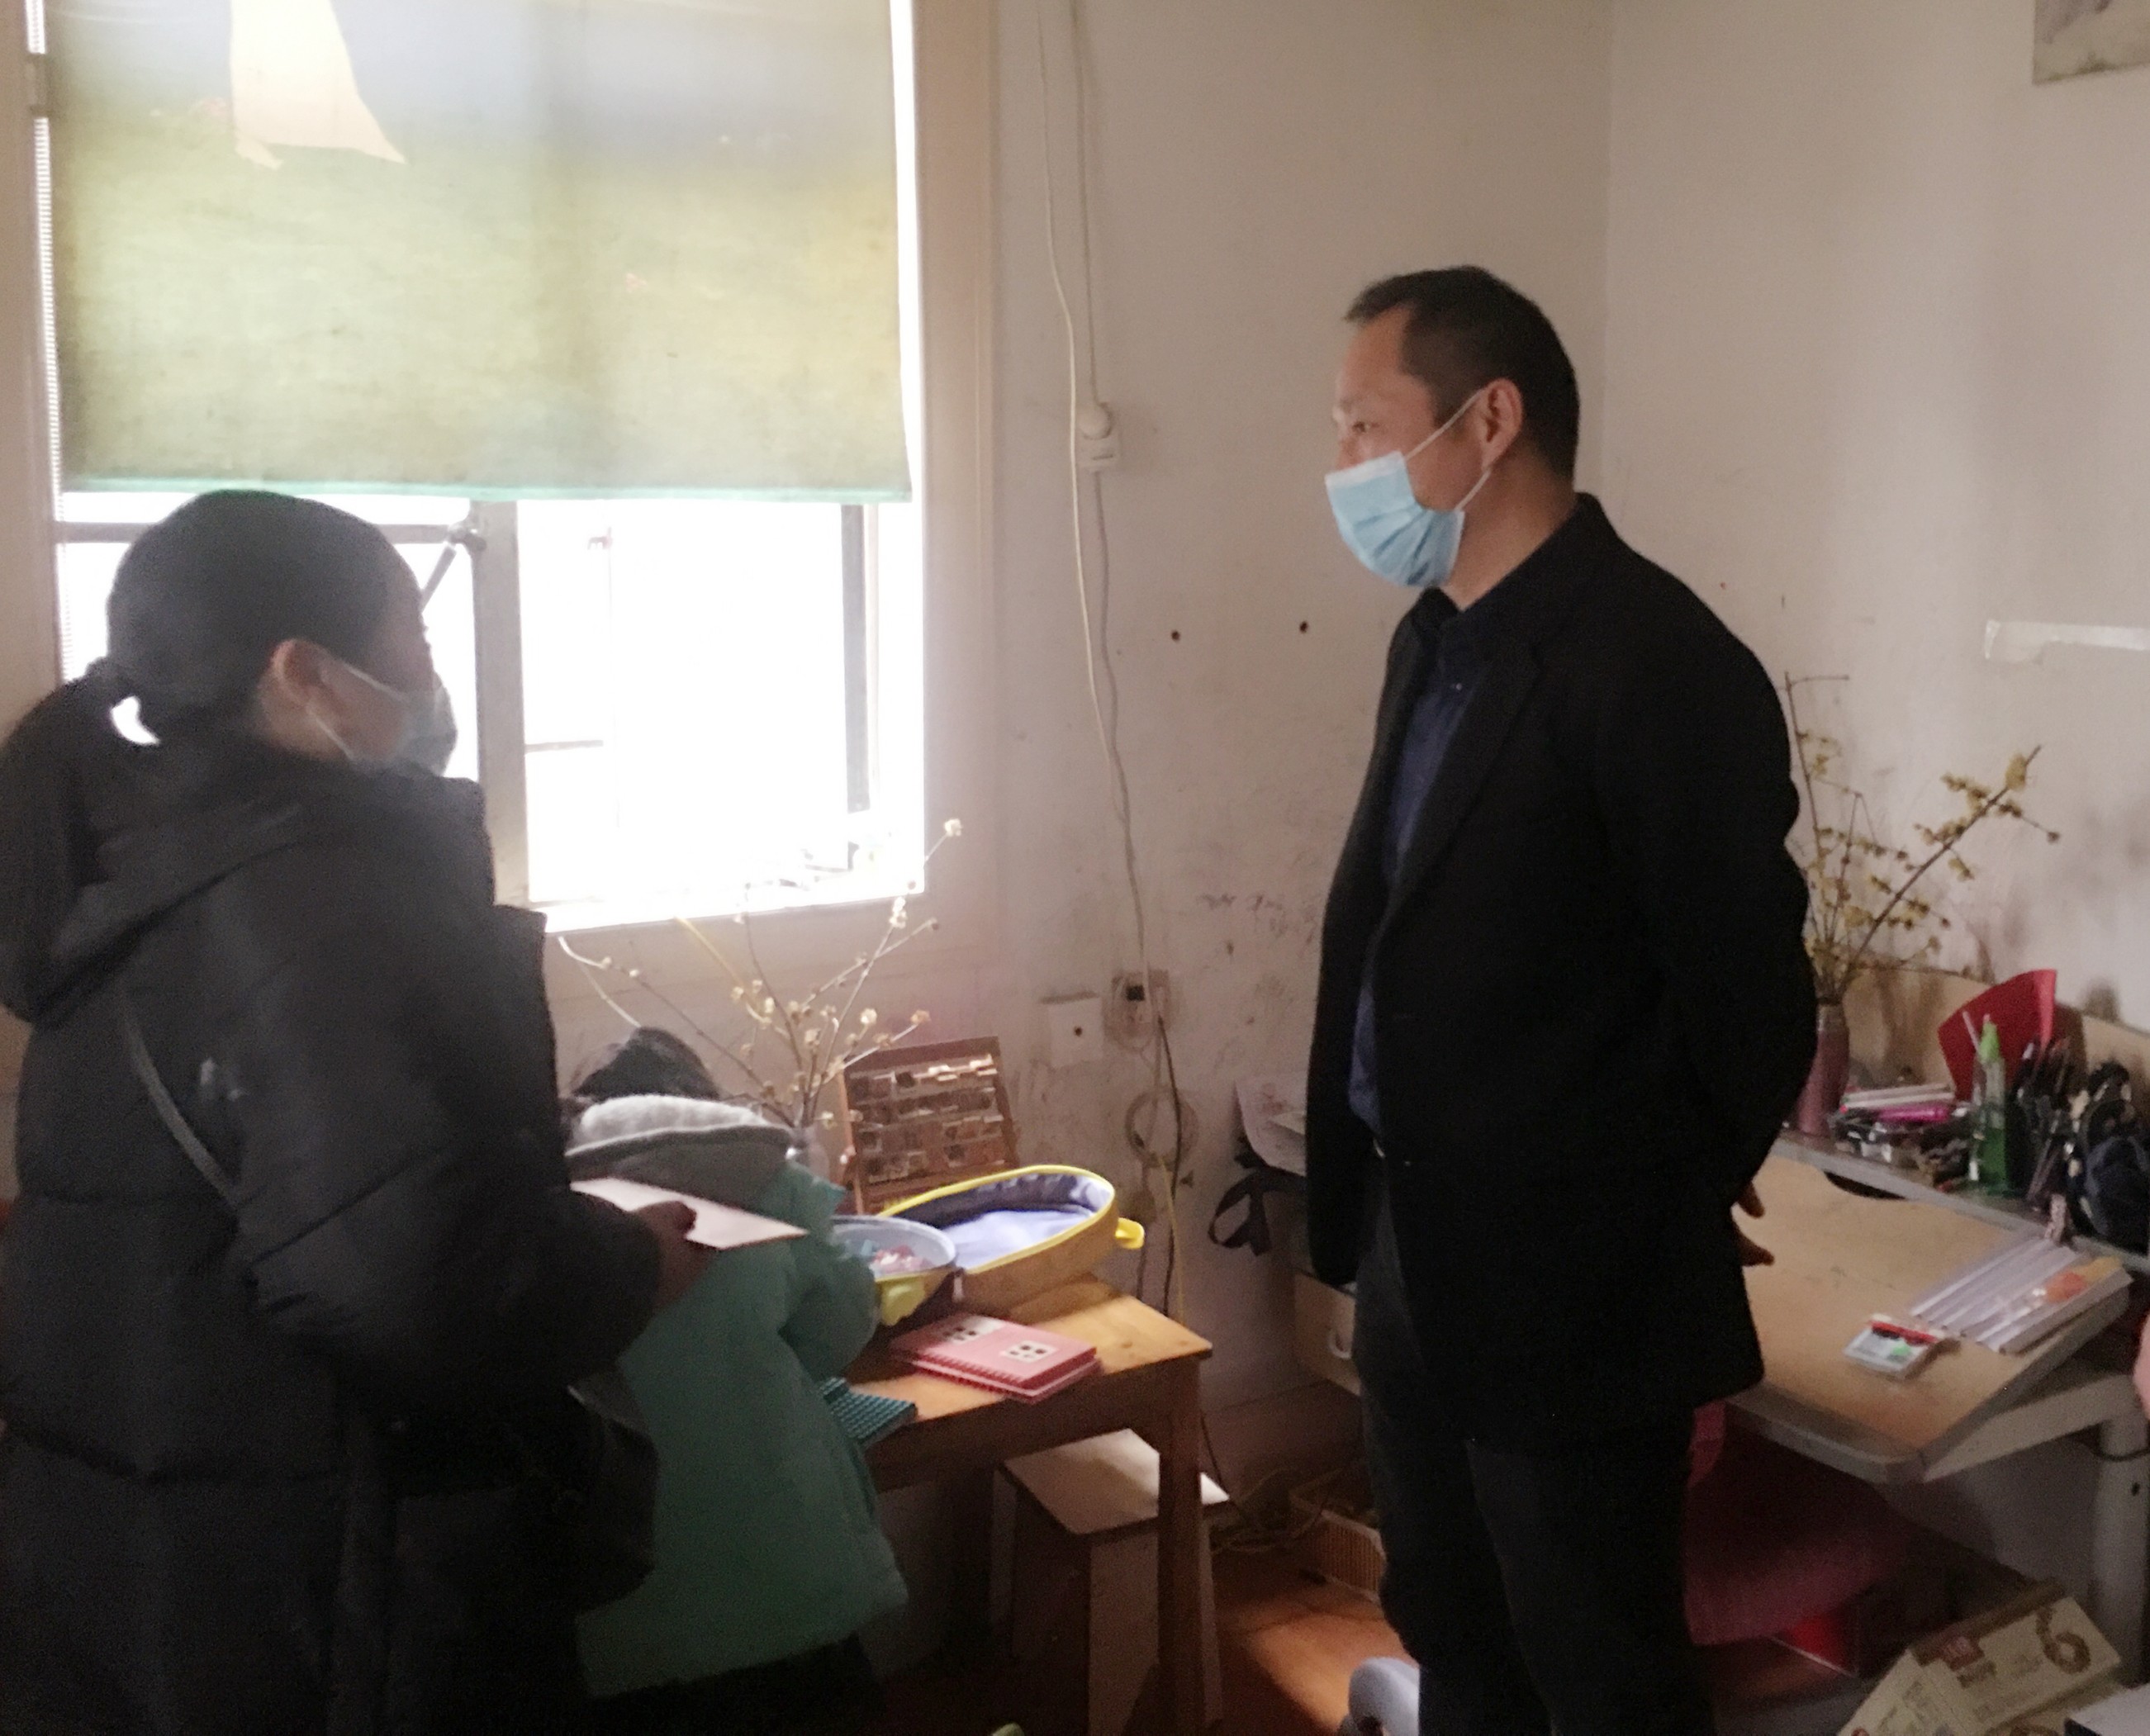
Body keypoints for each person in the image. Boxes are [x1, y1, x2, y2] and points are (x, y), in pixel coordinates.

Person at [0, 491, 711, 1736]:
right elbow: (417, 1290)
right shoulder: (318, 902)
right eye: (414, 640)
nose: (433, 679)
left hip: (146, 1575)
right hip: (340, 1593)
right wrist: (624, 1266)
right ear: (306, 674)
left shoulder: (137, 884)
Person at [1306, 268, 1815, 1735]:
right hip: (1412, 1239)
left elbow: (1746, 991)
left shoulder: (1657, 662)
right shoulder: (1432, 636)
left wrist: (1653, 1197)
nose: (1341, 464)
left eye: (1363, 425)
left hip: (1571, 1281)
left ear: (1488, 421)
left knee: (1594, 1662)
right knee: (1448, 1619)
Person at [570, 1030, 906, 1736]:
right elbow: (840, 1325)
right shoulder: (764, 1181)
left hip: (627, 1613)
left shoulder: (553, 1214)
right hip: (790, 1580)